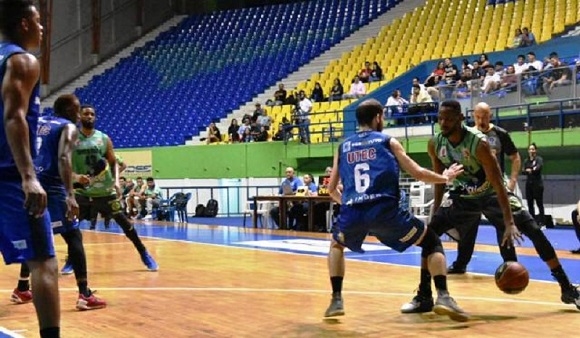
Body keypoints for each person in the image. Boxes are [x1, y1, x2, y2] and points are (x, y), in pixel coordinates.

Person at [400, 100, 580, 313]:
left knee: (533, 229)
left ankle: (567, 288)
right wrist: (437, 211)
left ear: (460, 119)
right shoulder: (436, 143)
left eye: (448, 119)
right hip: (462, 196)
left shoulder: (479, 143)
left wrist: (509, 222)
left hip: (492, 193)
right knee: (429, 235)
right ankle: (424, 295)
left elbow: (497, 183)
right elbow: (440, 180)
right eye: (440, 118)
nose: (443, 123)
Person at [324, 99, 469, 322]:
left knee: (336, 245)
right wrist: (445, 177)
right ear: (378, 117)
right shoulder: (387, 141)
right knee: (431, 242)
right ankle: (443, 296)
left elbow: (331, 189)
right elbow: (419, 173)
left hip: (353, 213)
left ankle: (336, 300)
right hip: (385, 212)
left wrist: (350, 205)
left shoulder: (343, 146)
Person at [11, 94, 106, 311]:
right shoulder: (68, 127)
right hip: (51, 189)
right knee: (73, 235)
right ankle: (84, 294)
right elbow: (63, 159)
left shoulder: (40, 122)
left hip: (31, 184)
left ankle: (22, 288)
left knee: (36, 236)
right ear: (70, 111)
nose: (81, 115)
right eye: (79, 110)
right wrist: (70, 195)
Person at [0, 1, 61, 337]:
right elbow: (14, 117)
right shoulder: (22, 61)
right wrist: (28, 176)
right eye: (38, 22)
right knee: (43, 263)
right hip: (9, 176)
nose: (42, 28)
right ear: (24, 23)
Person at [71, 105, 159, 271]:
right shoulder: (71, 139)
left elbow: (114, 163)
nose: (89, 116)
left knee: (126, 225)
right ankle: (71, 260)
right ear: (79, 117)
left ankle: (144, 253)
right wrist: (76, 178)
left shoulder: (103, 138)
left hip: (105, 192)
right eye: (86, 114)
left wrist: (117, 181)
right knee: (72, 229)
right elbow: (64, 165)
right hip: (82, 192)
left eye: (92, 114)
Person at [447, 102, 522, 273]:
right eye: (478, 117)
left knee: (503, 225)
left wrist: (512, 181)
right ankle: (461, 264)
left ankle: (510, 264)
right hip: (472, 188)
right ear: (473, 116)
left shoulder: (500, 134)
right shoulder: (466, 135)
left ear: (490, 115)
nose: (481, 120)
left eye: (485, 116)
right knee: (468, 228)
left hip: (494, 189)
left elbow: (515, 157)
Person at [522, 142, 545, 224]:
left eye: (533, 149)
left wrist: (530, 170)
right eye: (530, 149)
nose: (531, 151)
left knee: (539, 203)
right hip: (529, 184)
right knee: (530, 204)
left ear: (535, 150)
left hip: (537, 184)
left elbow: (538, 168)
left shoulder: (539, 159)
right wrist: (529, 170)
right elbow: (523, 171)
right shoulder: (526, 160)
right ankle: (532, 222)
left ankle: (542, 222)